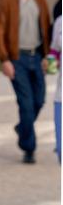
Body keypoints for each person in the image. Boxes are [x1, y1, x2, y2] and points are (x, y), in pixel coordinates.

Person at [0, 0, 50, 164]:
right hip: (16, 58)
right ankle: (29, 147)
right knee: (26, 104)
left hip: (36, 56)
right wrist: (4, 59)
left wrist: (48, 56)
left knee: (39, 100)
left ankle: (22, 128)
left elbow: (47, 27)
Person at [51, 15, 62, 164]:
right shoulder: (60, 21)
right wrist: (50, 62)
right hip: (61, 96)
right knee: (61, 151)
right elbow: (55, 50)